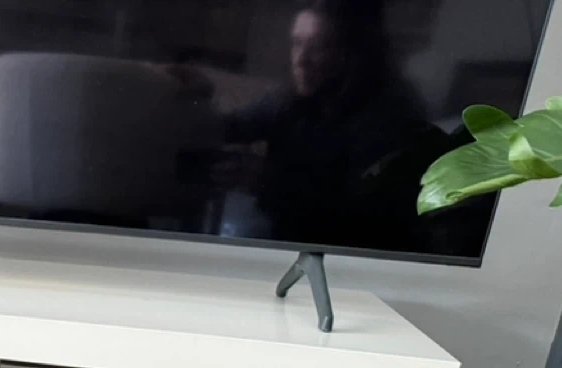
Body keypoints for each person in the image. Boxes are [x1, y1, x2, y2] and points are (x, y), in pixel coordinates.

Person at [185, 0, 437, 249]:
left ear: (353, 54)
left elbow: (364, 223)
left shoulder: (391, 117)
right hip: (287, 244)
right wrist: (198, 98)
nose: (301, 60)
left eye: (318, 47)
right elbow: (231, 127)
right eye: (297, 43)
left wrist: (270, 184)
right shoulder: (291, 99)